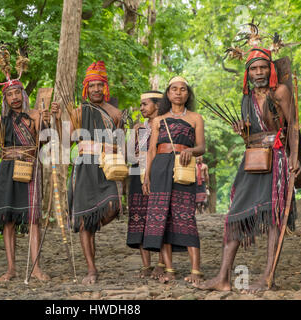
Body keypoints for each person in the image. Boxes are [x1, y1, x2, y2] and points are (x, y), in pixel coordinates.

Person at [195, 47, 301, 293]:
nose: (259, 72)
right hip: (252, 159)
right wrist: (243, 131)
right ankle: (223, 278)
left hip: (277, 158)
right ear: (248, 73)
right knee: (235, 215)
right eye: (254, 68)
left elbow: (293, 127)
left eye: (263, 67)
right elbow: (250, 137)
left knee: (274, 219)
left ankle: (268, 278)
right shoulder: (246, 98)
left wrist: (294, 157)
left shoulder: (281, 92)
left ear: (271, 69)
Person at [0, 79, 58, 282]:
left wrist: (50, 120)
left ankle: (36, 268)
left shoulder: (36, 116)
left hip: (30, 169)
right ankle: (11, 268)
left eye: (17, 93)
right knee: (8, 220)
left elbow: (47, 140)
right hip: (7, 171)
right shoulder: (1, 121)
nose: (14, 97)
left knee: (33, 218)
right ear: (5, 98)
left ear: (23, 95)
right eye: (9, 94)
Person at [142, 76, 206, 285]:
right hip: (160, 167)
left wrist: (190, 150)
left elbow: (201, 147)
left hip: (183, 167)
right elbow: (152, 150)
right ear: (168, 95)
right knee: (162, 217)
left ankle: (196, 270)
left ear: (188, 94)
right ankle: (169, 269)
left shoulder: (196, 118)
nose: (178, 93)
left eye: (183, 89)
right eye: (174, 89)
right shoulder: (159, 120)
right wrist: (147, 176)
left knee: (186, 216)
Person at [66, 61, 124, 285]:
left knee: (112, 206)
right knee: (83, 222)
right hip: (82, 168)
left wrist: (102, 147)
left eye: (100, 85)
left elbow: (122, 145)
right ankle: (91, 269)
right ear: (86, 89)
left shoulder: (115, 114)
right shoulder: (78, 112)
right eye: (92, 86)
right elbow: (64, 140)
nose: (96, 90)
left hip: (105, 167)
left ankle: (94, 224)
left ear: (106, 87)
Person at [126, 91, 165, 279]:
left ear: (157, 105)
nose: (141, 108)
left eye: (145, 104)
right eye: (140, 105)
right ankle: (146, 265)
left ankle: (161, 263)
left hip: (158, 174)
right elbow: (130, 154)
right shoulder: (137, 128)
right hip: (136, 174)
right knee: (139, 217)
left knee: (157, 217)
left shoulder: (165, 125)